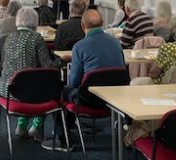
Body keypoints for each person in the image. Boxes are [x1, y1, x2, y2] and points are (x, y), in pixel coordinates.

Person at [43, 9, 125, 151]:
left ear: (83, 26)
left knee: (60, 92)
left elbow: (74, 81)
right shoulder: (116, 43)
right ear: (103, 23)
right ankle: (71, 125)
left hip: (90, 99)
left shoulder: (80, 47)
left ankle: (62, 139)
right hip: (115, 99)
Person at [0, 8, 59, 142]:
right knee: (47, 86)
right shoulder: (36, 38)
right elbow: (47, 66)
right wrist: (60, 61)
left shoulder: (8, 38)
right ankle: (37, 127)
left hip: (7, 89)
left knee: (26, 82)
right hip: (26, 90)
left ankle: (22, 125)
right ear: (35, 22)